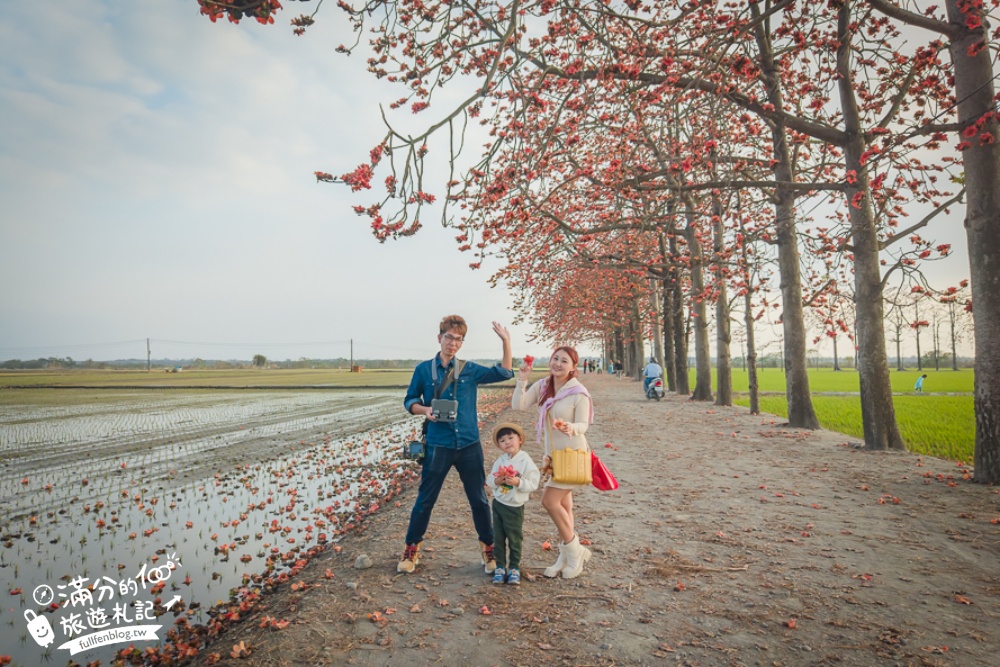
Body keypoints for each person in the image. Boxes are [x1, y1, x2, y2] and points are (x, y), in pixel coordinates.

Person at [398, 315, 514, 574]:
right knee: (425, 500)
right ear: (439, 338)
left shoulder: (469, 369)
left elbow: (504, 373)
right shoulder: (423, 370)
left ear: (462, 343)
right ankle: (411, 548)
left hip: (469, 444)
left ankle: (489, 549)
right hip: (438, 445)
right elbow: (409, 401)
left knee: (479, 499)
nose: (452, 343)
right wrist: (425, 410)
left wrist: (506, 341)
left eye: (458, 339)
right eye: (448, 337)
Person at [512, 346, 594, 579]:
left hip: (573, 454)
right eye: (555, 359)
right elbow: (518, 406)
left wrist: (570, 427)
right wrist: (523, 380)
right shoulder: (543, 386)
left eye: (564, 361)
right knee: (565, 506)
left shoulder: (579, 392)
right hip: (553, 457)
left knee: (549, 501)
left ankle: (575, 551)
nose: (558, 364)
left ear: (573, 367)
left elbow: (583, 424)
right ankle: (566, 555)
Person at [486, 422, 540, 585]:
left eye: (511, 438)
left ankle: (514, 567)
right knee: (498, 536)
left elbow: (533, 483)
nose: (507, 442)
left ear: (520, 440)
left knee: (514, 537)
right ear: (499, 445)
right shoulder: (500, 461)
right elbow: (489, 480)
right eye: (502, 440)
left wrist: (518, 482)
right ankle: (501, 566)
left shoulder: (525, 461)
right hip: (498, 504)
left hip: (515, 507)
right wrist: (497, 480)